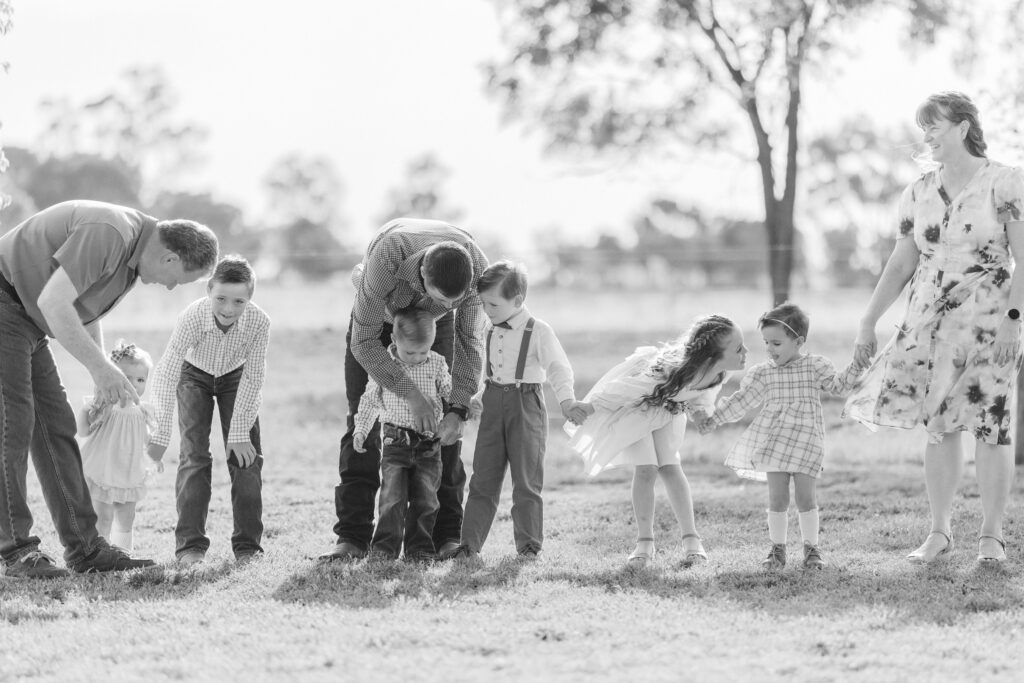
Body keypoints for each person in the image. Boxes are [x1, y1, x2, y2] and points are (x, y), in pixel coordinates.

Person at [845, 91, 1024, 565]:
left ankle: (991, 536)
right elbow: (902, 260)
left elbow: (1022, 259)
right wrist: (869, 320)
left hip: (992, 323)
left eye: (934, 126)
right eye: (923, 128)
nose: (926, 136)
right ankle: (939, 532)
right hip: (930, 325)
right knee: (938, 427)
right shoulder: (918, 191)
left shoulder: (1005, 184)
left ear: (963, 128)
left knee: (992, 426)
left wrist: (1013, 323)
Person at [0, 199, 218, 578]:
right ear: (169, 258)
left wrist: (103, 368)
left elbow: (83, 309)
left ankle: (86, 549)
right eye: (177, 280)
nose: (169, 288)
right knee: (13, 426)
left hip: (26, 318)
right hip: (7, 304)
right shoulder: (111, 233)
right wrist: (100, 369)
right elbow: (55, 302)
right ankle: (15, 552)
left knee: (57, 427)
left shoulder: (132, 259)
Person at [320, 218, 489, 562]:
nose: (449, 304)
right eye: (442, 298)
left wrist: (457, 409)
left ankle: (445, 536)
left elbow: (469, 342)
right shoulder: (389, 255)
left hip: (432, 329)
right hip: (377, 323)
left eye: (453, 302)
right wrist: (412, 395)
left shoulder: (475, 271)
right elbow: (364, 341)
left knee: (443, 430)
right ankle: (352, 537)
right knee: (361, 424)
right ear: (424, 276)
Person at [565, 314, 746, 568]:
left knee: (671, 466)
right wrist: (590, 406)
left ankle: (692, 540)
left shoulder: (720, 373)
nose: (745, 351)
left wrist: (701, 414)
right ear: (710, 357)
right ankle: (645, 542)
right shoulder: (672, 372)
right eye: (739, 348)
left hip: (669, 410)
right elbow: (627, 388)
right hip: (636, 409)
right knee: (647, 468)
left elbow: (701, 396)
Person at [695, 304, 864, 571]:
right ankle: (777, 549)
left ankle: (812, 549)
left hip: (807, 442)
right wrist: (714, 419)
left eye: (776, 343)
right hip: (774, 443)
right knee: (777, 498)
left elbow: (839, 385)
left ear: (798, 341)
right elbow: (743, 400)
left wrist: (856, 366)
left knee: (806, 498)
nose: (770, 349)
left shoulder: (814, 366)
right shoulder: (764, 373)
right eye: (766, 343)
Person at [452, 261, 589, 561]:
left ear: (517, 301)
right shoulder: (490, 328)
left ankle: (528, 546)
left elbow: (558, 368)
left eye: (493, 304)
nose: (487, 310)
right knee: (482, 478)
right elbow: (491, 372)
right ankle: (469, 545)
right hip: (492, 405)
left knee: (526, 479)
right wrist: (479, 395)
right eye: (484, 303)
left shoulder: (538, 330)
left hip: (525, 404)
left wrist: (566, 401)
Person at [148, 255, 269, 566]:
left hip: (236, 377)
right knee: (194, 456)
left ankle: (247, 547)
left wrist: (240, 433)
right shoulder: (192, 317)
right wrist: (159, 435)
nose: (229, 309)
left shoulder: (259, 322)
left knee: (246, 458)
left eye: (239, 301)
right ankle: (190, 546)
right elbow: (167, 371)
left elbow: (254, 376)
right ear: (209, 291)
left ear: (250, 299)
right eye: (221, 299)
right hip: (194, 374)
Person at [352, 308, 452, 561]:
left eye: (423, 351)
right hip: (395, 441)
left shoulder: (437, 363)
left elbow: (449, 391)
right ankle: (385, 549)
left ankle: (419, 549)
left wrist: (467, 404)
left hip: (429, 442)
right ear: (395, 341)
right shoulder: (385, 366)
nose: (417, 357)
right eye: (410, 352)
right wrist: (361, 429)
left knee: (427, 499)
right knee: (392, 498)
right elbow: (369, 400)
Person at [76, 340, 162, 554]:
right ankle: (100, 552)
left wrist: (155, 457)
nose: (134, 385)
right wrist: (86, 413)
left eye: (140, 380)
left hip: (129, 471)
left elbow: (146, 438)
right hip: (104, 470)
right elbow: (84, 431)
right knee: (103, 516)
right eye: (127, 379)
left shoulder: (143, 411)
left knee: (126, 517)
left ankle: (123, 553)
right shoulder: (105, 405)